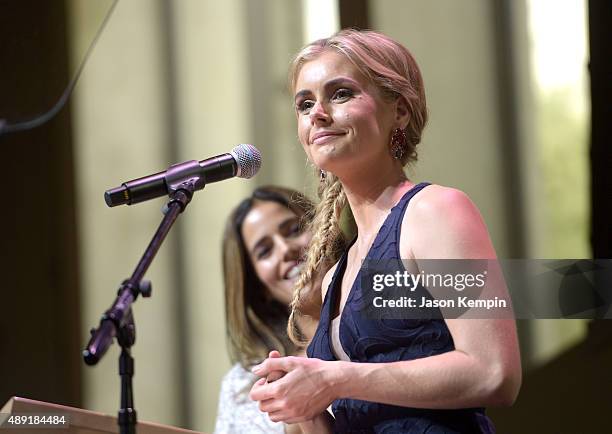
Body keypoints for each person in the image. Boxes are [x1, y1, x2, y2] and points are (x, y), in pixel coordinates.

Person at [249, 29, 522, 433]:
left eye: (340, 94)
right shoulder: (335, 277)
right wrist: (300, 403)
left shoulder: (434, 212)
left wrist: (334, 379)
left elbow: (494, 372)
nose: (317, 114)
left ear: (400, 111)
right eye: (305, 104)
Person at [214, 186, 340, 434]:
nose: (285, 250)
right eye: (264, 251)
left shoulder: (378, 323)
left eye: (294, 230)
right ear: (257, 286)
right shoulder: (242, 386)